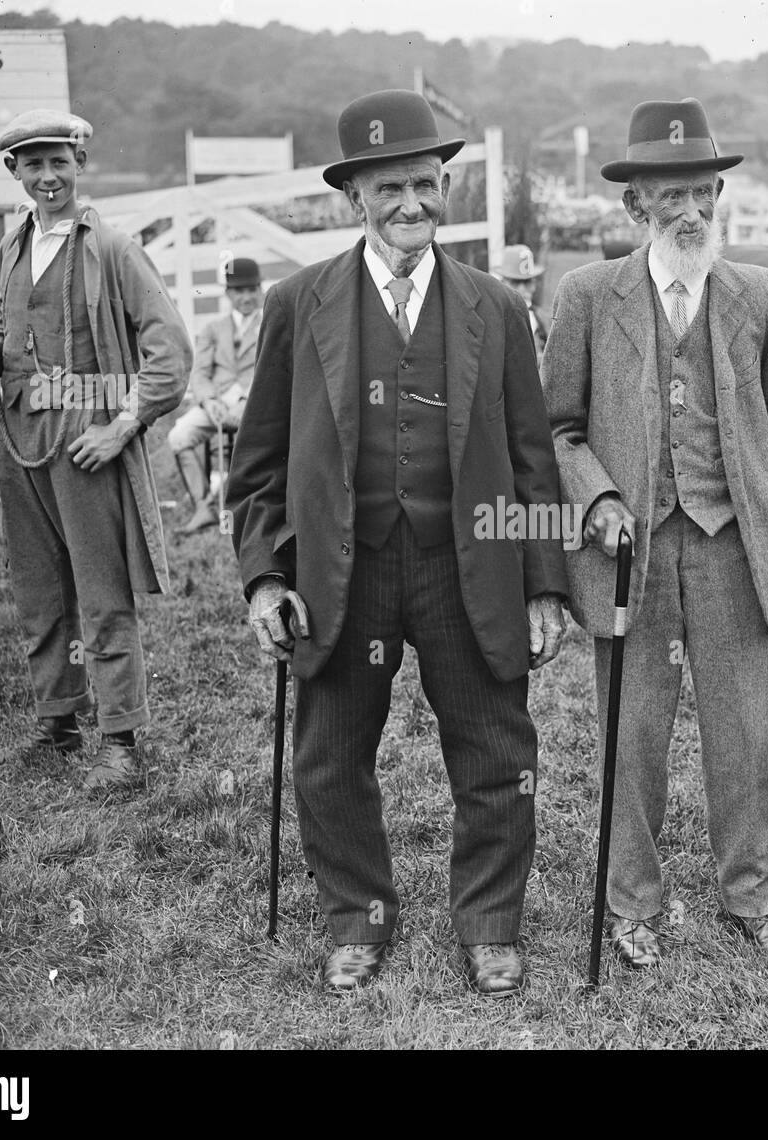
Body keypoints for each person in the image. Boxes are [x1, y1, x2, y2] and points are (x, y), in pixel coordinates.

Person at [227, 89, 569, 996]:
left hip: (470, 564)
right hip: (345, 569)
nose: (411, 205)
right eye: (390, 189)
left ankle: (491, 923)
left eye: (425, 183)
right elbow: (256, 463)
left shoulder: (495, 309)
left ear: (442, 184)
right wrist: (265, 580)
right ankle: (358, 918)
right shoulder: (299, 305)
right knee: (332, 756)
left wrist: (543, 584)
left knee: (498, 752)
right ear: (355, 198)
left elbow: (533, 461)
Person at [544, 97, 768, 969]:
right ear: (634, 207)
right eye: (670, 198)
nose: (690, 212)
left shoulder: (763, 294)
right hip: (633, 553)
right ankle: (634, 905)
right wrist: (599, 497)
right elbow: (558, 430)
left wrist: (735, 486)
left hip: (735, 546)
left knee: (746, 733)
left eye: (703, 192)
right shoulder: (586, 297)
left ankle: (752, 897)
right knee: (633, 734)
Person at [0, 110, 191, 788]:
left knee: (101, 593)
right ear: (15, 173)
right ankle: (57, 722)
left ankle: (120, 741)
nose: (48, 175)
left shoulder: (113, 250)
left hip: (85, 443)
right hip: (20, 442)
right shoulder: (11, 247)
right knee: (35, 590)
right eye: (33, 164)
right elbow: (7, 327)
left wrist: (121, 426)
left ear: (79, 164)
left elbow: (170, 351)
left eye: (59, 161)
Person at [169, 256, 264, 534]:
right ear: (228, 294)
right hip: (218, 404)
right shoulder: (213, 329)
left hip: (256, 405)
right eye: (239, 291)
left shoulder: (271, 323)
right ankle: (204, 507)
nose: (246, 297)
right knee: (179, 436)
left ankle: (252, 504)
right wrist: (209, 401)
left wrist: (248, 401)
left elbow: (274, 369)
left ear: (260, 290)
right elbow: (199, 374)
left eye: (251, 290)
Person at [491, 244, 548, 362]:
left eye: (528, 282)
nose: (522, 290)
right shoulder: (493, 319)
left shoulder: (540, 318)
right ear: (502, 282)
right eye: (515, 282)